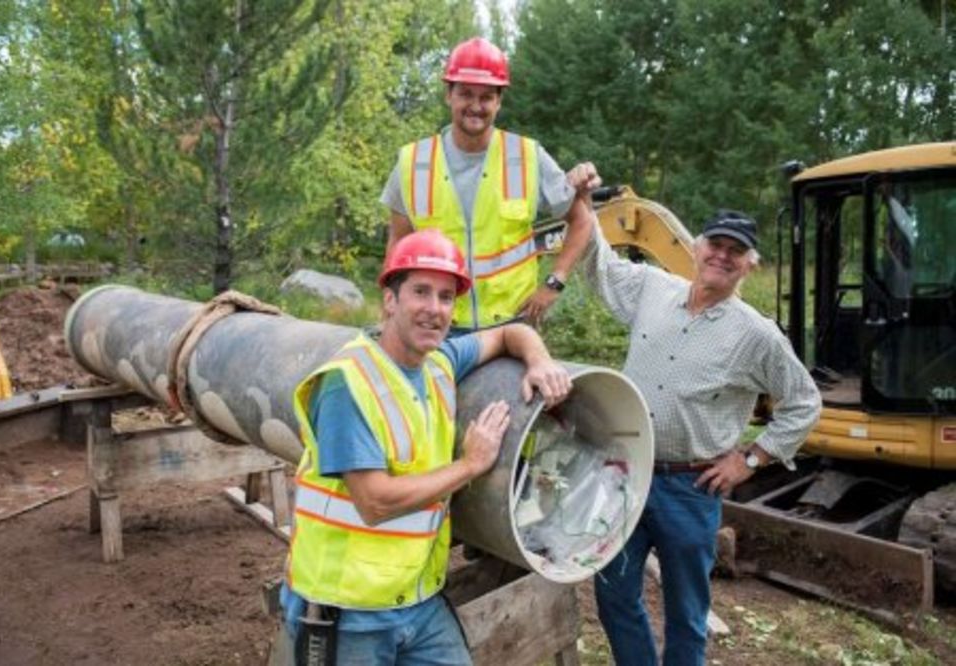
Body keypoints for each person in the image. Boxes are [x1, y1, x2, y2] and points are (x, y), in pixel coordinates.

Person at [279, 229, 572, 665]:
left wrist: (540, 360)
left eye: (446, 297)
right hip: (348, 611)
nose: (434, 309)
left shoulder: (438, 364)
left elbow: (511, 333)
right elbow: (374, 502)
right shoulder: (347, 384)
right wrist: (471, 465)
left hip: (418, 599)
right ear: (390, 300)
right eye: (420, 292)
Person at [571, 174, 821, 666]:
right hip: (627, 474)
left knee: (686, 610)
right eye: (716, 244)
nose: (722, 256)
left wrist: (750, 458)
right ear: (698, 246)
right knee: (614, 595)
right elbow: (599, 264)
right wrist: (580, 203)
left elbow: (804, 402)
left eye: (736, 251)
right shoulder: (652, 290)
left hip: (690, 488)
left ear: (750, 264)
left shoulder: (757, 336)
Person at [380, 37, 597, 332]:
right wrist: (389, 310)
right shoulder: (413, 162)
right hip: (435, 327)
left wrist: (553, 283)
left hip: (512, 325)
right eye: (466, 94)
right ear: (449, 95)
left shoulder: (526, 156)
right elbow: (398, 244)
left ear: (499, 101)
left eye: (486, 97)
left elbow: (582, 221)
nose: (476, 106)